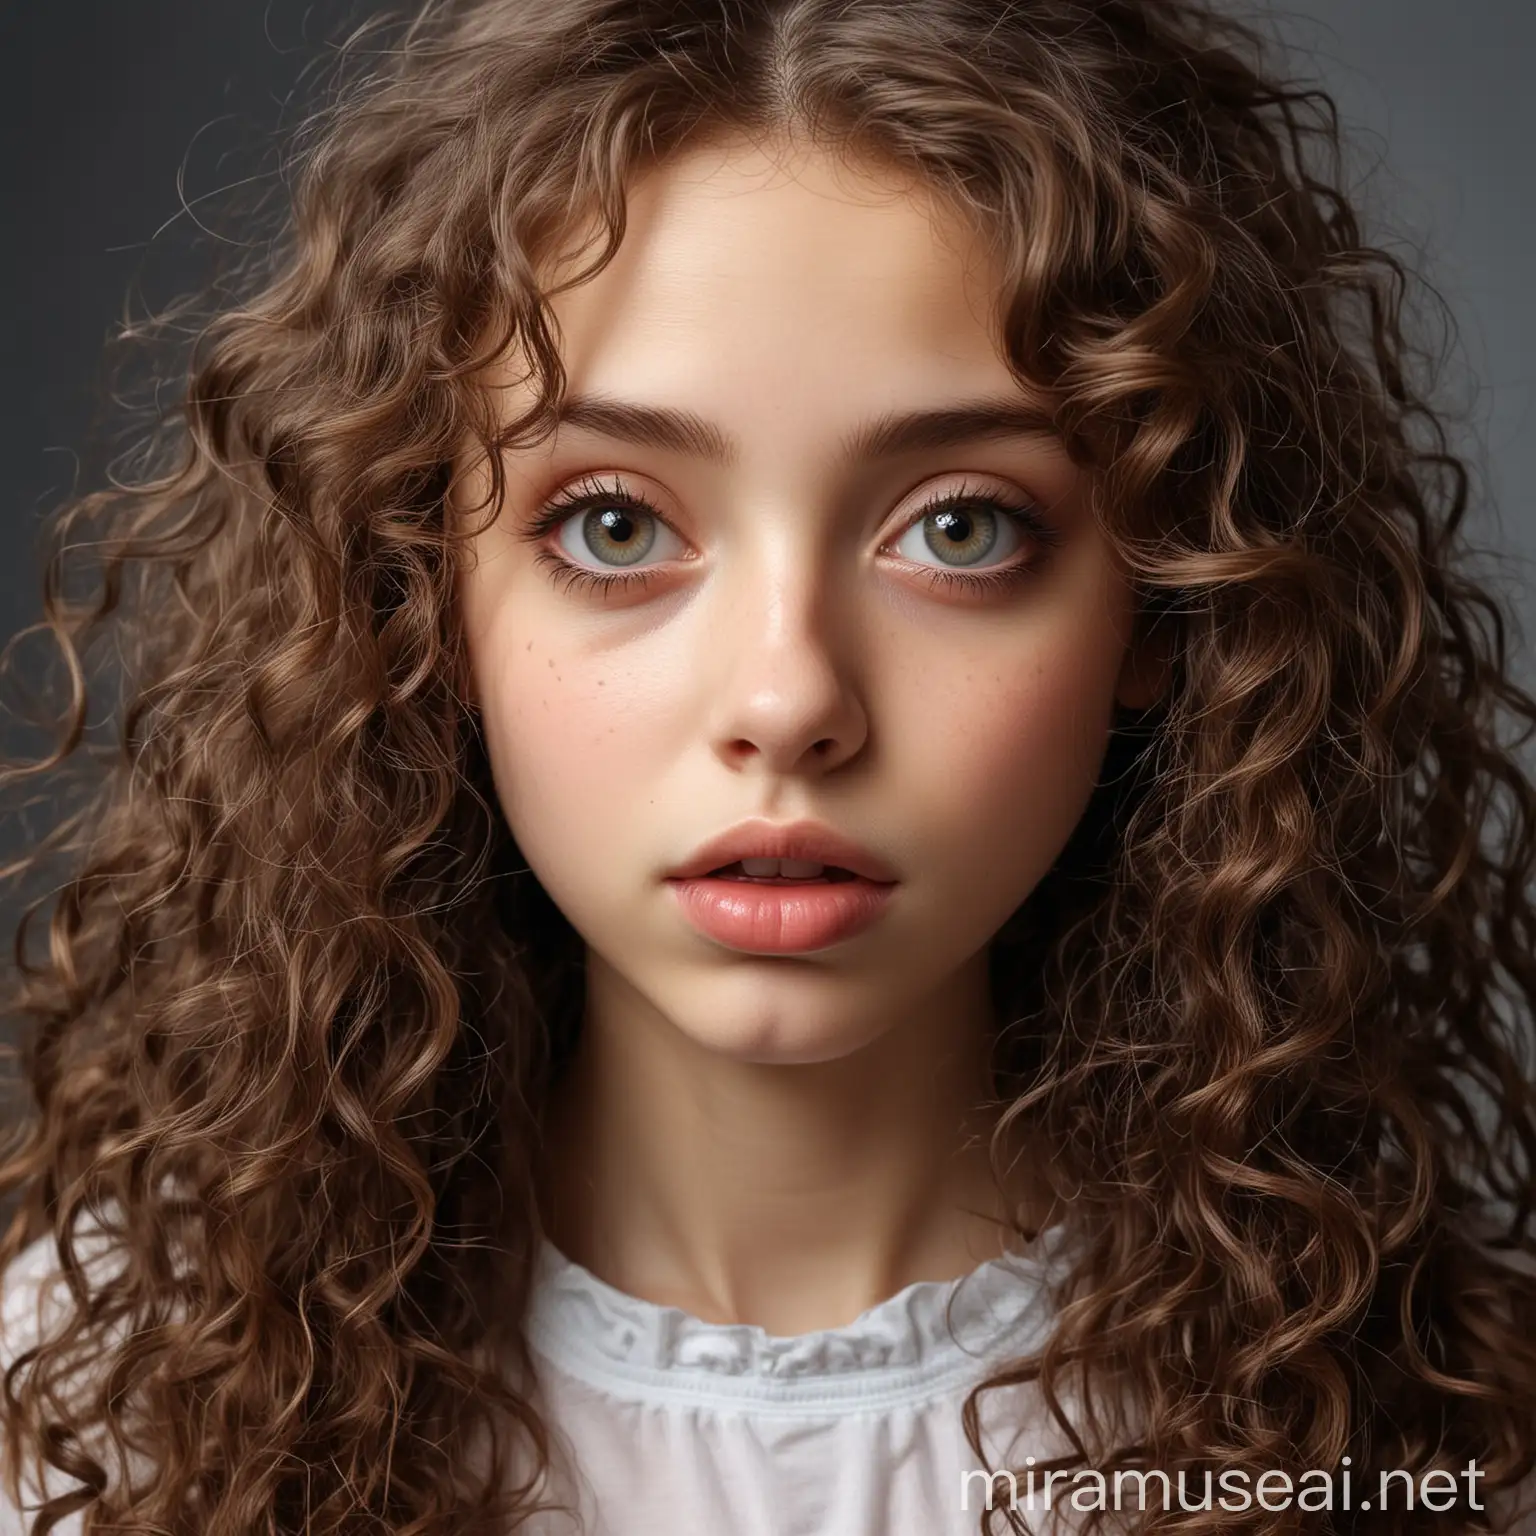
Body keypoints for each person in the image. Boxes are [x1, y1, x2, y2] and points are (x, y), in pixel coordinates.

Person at [2, 0, 1534, 1532]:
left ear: (1169, 598)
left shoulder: (1438, 1441)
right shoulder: (99, 1420)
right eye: (614, 524)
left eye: (960, 526)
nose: (788, 699)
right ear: (420, 600)